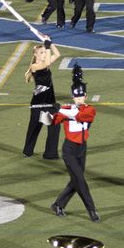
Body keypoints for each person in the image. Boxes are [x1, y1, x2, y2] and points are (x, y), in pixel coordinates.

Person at [49, 64, 100, 222]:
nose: (79, 99)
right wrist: (48, 113)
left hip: (82, 149)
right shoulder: (66, 109)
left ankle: (58, 204)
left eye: (81, 96)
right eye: (76, 96)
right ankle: (91, 210)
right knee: (81, 181)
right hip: (69, 150)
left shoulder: (89, 110)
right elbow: (52, 122)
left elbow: (80, 116)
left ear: (85, 96)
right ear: (73, 97)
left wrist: (60, 110)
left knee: (75, 180)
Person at [22, 37, 61, 159]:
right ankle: (28, 151)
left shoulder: (45, 64)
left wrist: (50, 42)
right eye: (41, 52)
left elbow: (58, 54)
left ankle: (50, 154)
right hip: (38, 104)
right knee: (34, 128)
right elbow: (47, 63)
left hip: (50, 103)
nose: (44, 54)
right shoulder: (34, 66)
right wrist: (47, 46)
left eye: (44, 52)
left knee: (54, 128)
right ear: (35, 54)